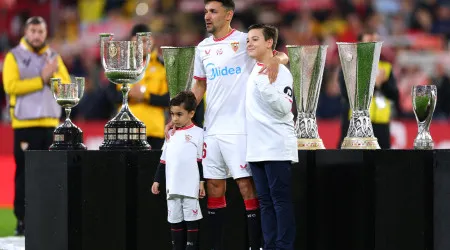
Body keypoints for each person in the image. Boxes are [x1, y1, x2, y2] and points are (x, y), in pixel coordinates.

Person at [167, 1, 289, 249]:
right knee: (214, 187)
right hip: (212, 129)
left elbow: (279, 53)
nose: (207, 16)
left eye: (213, 11)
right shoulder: (203, 48)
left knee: (246, 187)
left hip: (241, 128)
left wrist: (278, 60)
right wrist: (182, 114)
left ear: (229, 14)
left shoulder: (245, 41)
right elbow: (200, 84)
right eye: (205, 12)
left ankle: (256, 245)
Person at [2, 16, 70, 235]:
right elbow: (10, 86)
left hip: (51, 124)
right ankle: (22, 220)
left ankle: (49, 219)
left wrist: (53, 76)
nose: (37, 35)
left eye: (40, 31)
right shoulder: (15, 56)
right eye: (33, 31)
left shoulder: (53, 57)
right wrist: (41, 78)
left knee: (51, 175)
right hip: (25, 125)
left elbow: (67, 88)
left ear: (45, 32)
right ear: (25, 32)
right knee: (25, 174)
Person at [245, 24, 298, 250]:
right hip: (257, 148)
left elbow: (284, 107)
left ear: (269, 43)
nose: (249, 43)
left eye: (255, 39)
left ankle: (284, 246)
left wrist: (264, 84)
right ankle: (269, 246)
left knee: (279, 201)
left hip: (276, 146)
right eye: (248, 39)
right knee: (265, 203)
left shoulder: (280, 72)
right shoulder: (256, 71)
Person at [152, 91, 205, 250]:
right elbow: (163, 161)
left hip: (190, 187)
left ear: (191, 113)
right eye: (172, 114)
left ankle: (191, 246)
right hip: (172, 187)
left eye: (179, 114)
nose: (174, 118)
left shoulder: (199, 133)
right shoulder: (170, 135)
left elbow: (200, 161)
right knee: (174, 219)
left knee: (191, 219)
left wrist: (202, 182)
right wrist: (157, 180)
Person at [338, 30, 399, 149]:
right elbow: (346, 93)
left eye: (376, 41)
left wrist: (384, 83)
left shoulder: (385, 67)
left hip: (381, 124)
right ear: (359, 43)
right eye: (369, 41)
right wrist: (375, 84)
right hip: (356, 123)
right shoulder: (350, 66)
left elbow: (395, 96)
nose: (373, 45)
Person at [117, 23, 170, 149]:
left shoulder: (164, 66)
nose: (140, 46)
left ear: (152, 41)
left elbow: (169, 100)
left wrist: (144, 96)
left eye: (145, 41)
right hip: (126, 129)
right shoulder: (120, 67)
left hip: (154, 131)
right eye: (136, 43)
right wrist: (128, 93)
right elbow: (112, 97)